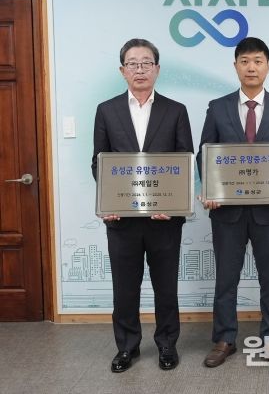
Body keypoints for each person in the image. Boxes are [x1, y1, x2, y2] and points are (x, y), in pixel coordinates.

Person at [197, 37, 269, 369]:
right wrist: (210, 189)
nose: (251, 67)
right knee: (226, 279)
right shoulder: (217, 108)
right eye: (244, 61)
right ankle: (224, 339)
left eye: (258, 61)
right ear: (235, 66)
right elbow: (205, 154)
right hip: (226, 211)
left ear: (268, 66)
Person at [91, 38, 194, 372]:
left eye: (146, 63)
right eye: (132, 63)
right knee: (124, 288)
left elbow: (184, 161)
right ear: (122, 70)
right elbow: (99, 162)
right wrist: (109, 200)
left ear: (157, 69)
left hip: (164, 218)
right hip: (122, 219)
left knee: (166, 287)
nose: (139, 69)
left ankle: (167, 345)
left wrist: (174, 204)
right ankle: (127, 347)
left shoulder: (176, 110)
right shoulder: (106, 110)